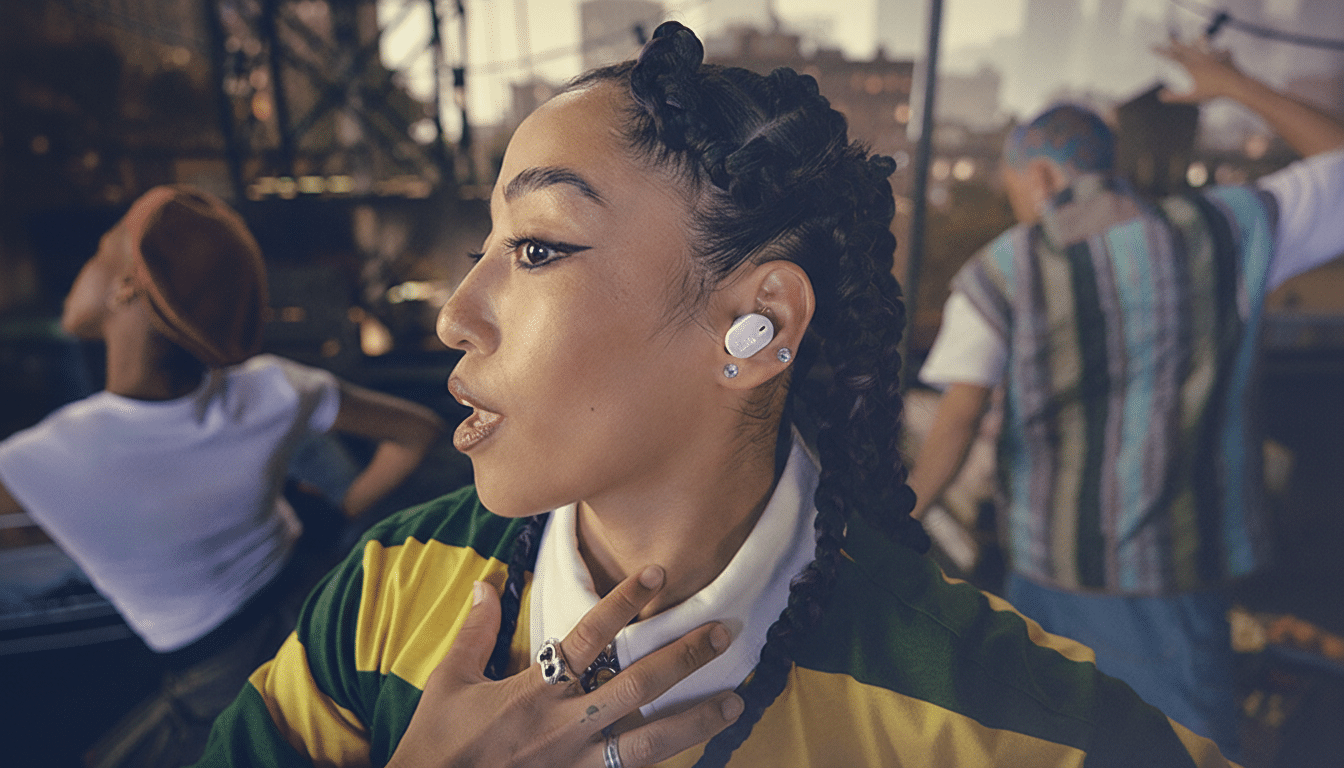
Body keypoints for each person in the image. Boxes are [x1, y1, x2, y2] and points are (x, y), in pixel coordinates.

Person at [196, 23, 1240, 768]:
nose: (457, 313)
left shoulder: (991, 712)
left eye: (538, 247)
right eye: (487, 247)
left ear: (760, 327)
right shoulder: (386, 593)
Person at [907, 39, 1344, 760]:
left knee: (1047, 744)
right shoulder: (1227, 229)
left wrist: (895, 515)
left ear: (1040, 174)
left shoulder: (1003, 270)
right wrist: (1235, 85)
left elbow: (956, 424)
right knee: (1183, 751)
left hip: (1047, 572)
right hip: (1174, 585)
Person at [0, 185, 446, 767]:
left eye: (100, 250)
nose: (82, 268)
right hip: (317, 615)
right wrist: (340, 515)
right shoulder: (273, 386)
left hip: (215, 681)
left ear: (126, 285)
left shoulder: (38, 461)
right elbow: (416, 433)